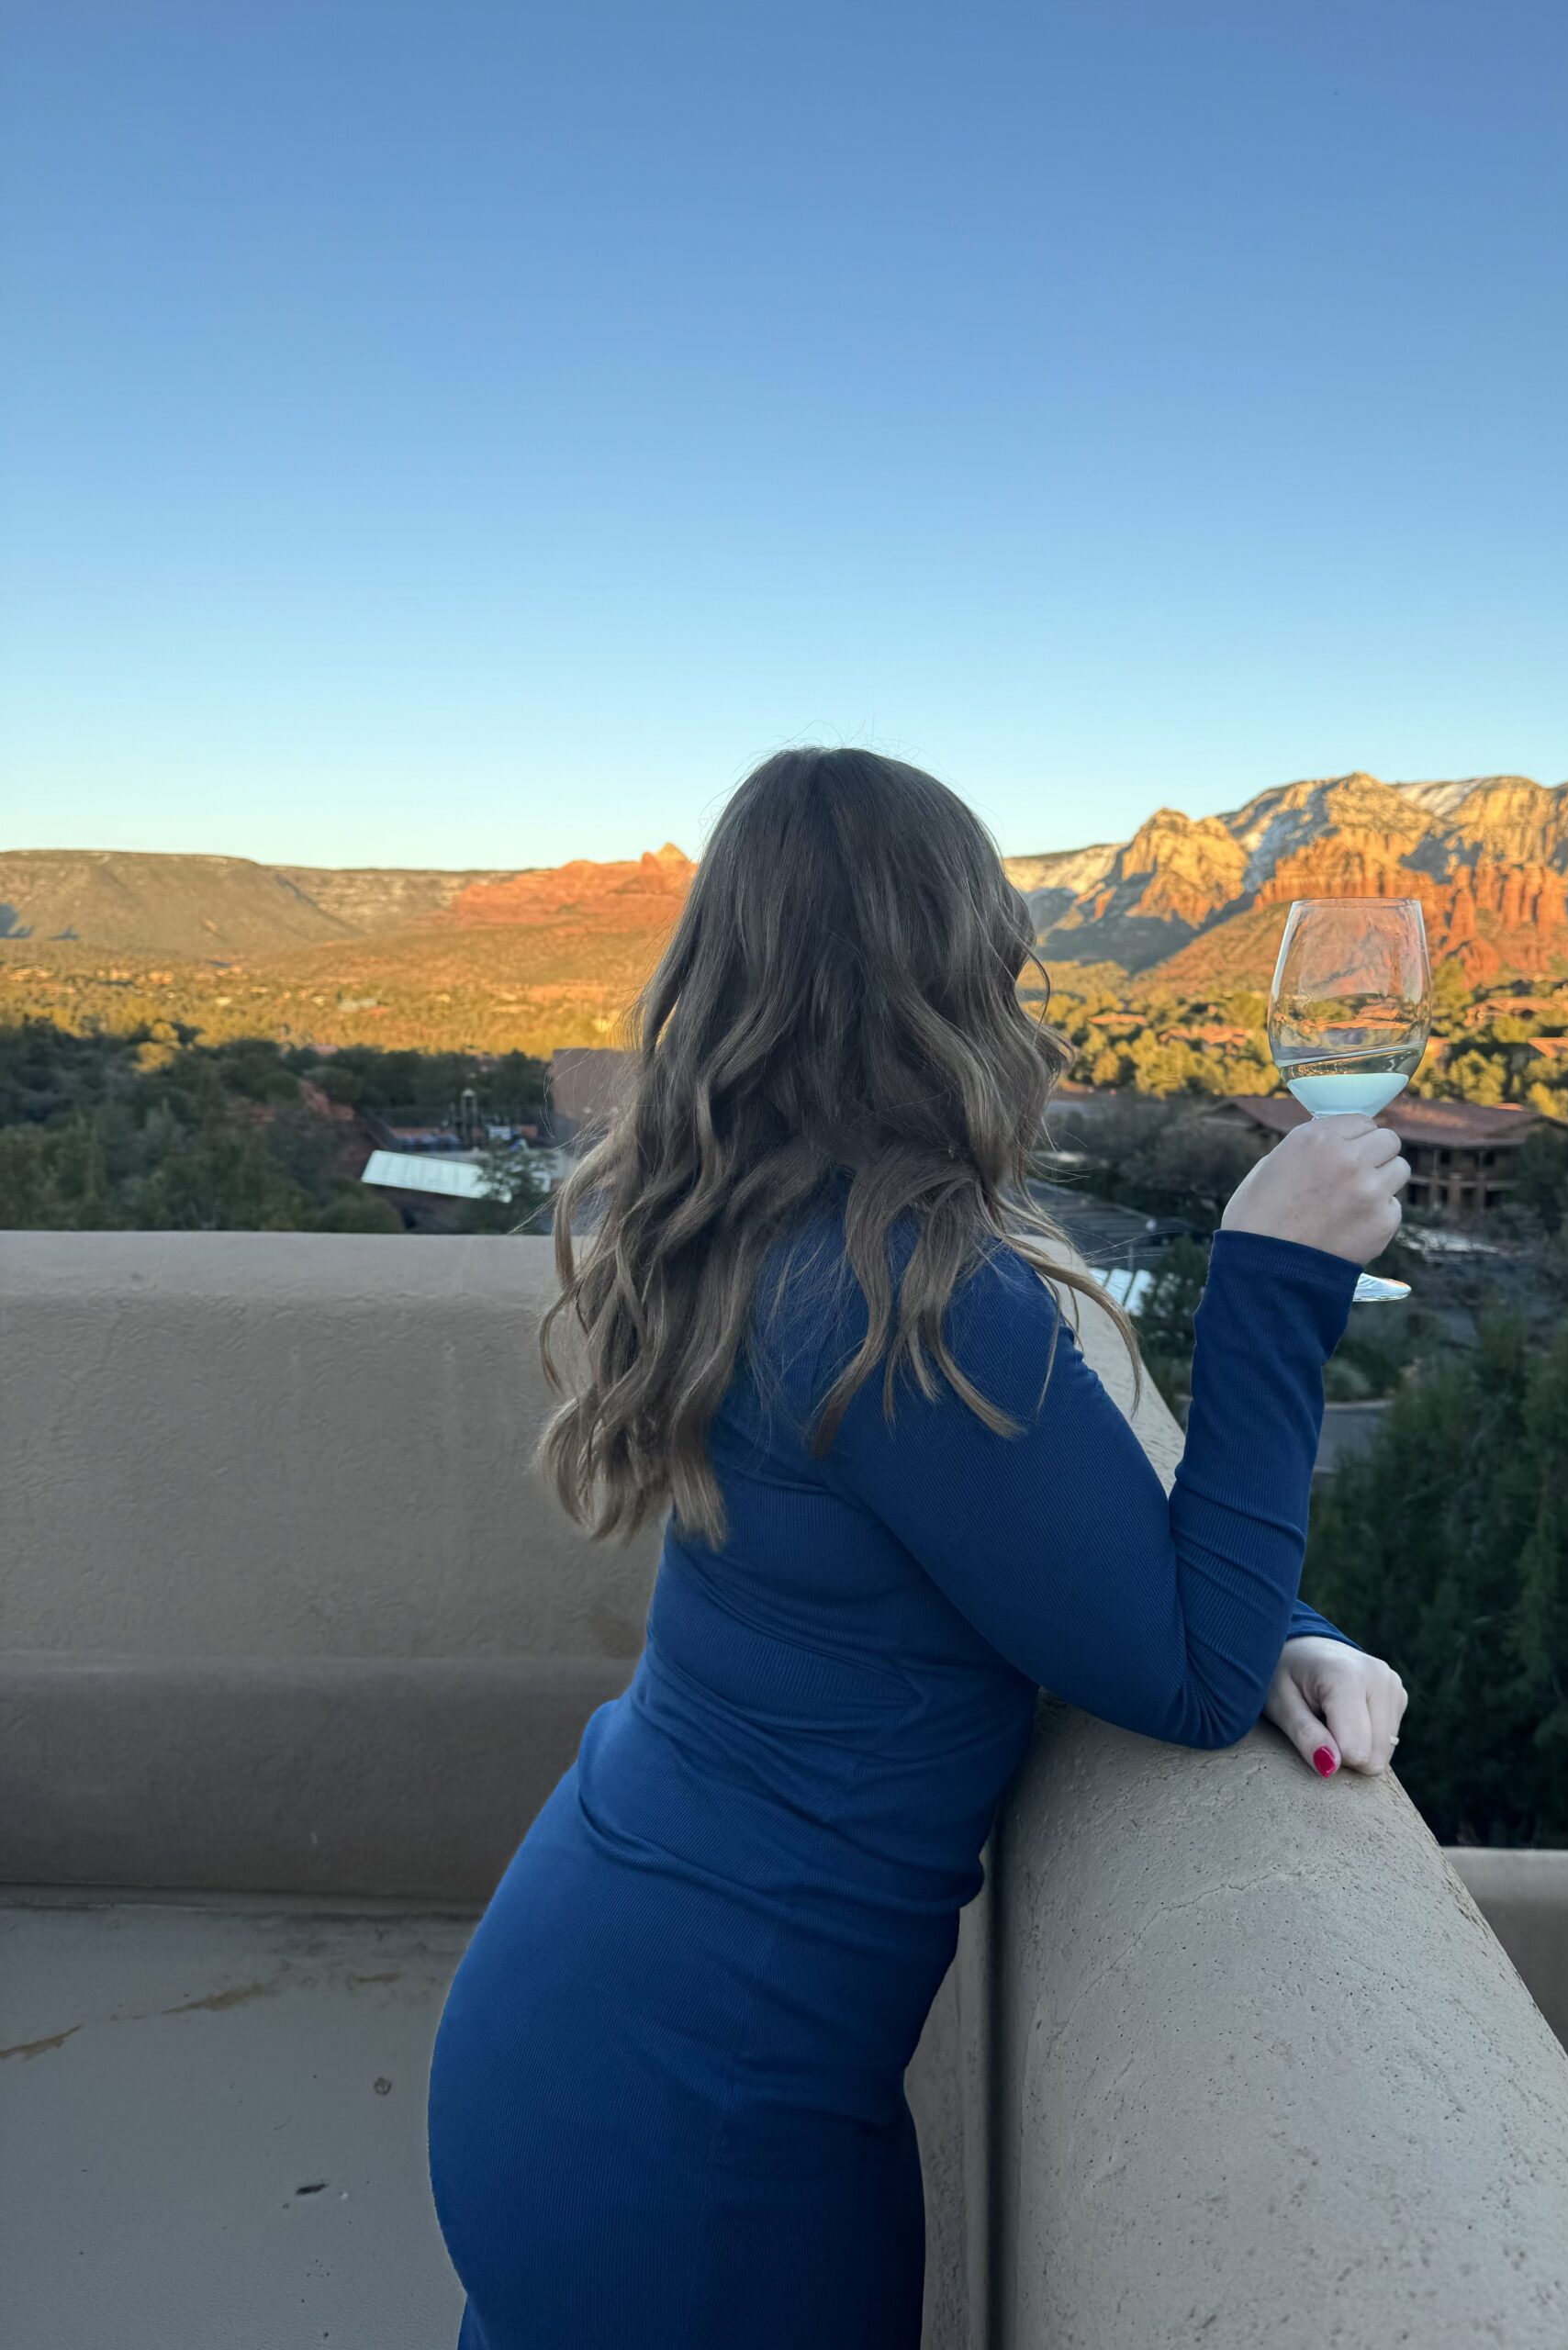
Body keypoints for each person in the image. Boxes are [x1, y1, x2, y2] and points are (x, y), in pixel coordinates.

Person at [425, 746, 1409, 2349]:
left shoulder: (762, 1239)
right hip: (709, 2116)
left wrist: (1277, 1612)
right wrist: (1273, 1273)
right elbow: (1180, 1674)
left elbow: (1026, 1543)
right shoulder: (920, 1299)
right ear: (947, 979)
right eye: (1006, 964)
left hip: (580, 2023)